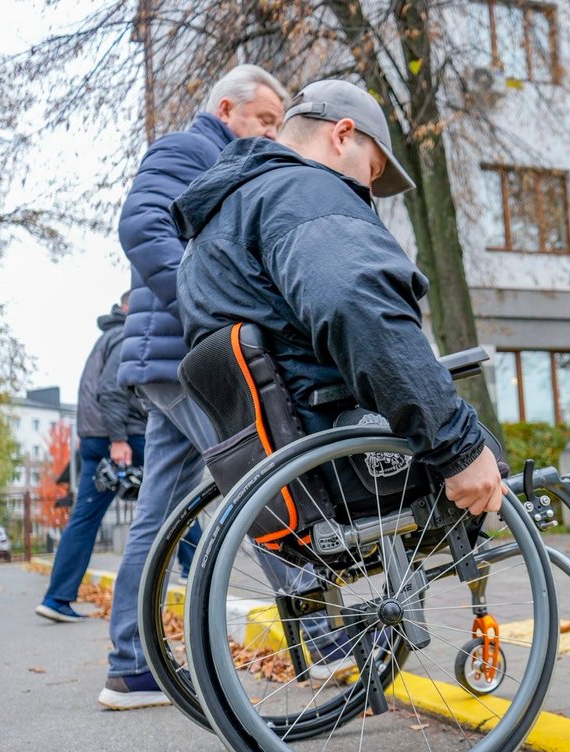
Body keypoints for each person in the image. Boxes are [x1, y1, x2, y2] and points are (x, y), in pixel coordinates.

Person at [173, 79, 506, 527]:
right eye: (370, 172)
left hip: (283, 475)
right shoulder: (306, 195)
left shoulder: (217, 224)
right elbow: (364, 315)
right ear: (342, 134)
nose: (365, 194)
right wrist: (457, 445)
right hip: (349, 465)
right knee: (507, 469)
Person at [99, 65, 289, 711]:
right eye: (265, 120)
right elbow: (143, 228)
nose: (272, 133)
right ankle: (322, 633)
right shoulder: (188, 149)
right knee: (259, 476)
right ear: (228, 108)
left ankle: (129, 666)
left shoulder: (226, 162)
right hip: (188, 357)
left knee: (157, 518)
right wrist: (209, 309)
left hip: (172, 358)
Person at [36, 292, 146, 622]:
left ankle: (57, 598)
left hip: (95, 440)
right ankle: (192, 565)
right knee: (169, 496)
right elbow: (111, 390)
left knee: (83, 519)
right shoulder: (124, 334)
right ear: (127, 307)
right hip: (119, 437)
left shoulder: (107, 337)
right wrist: (118, 439)